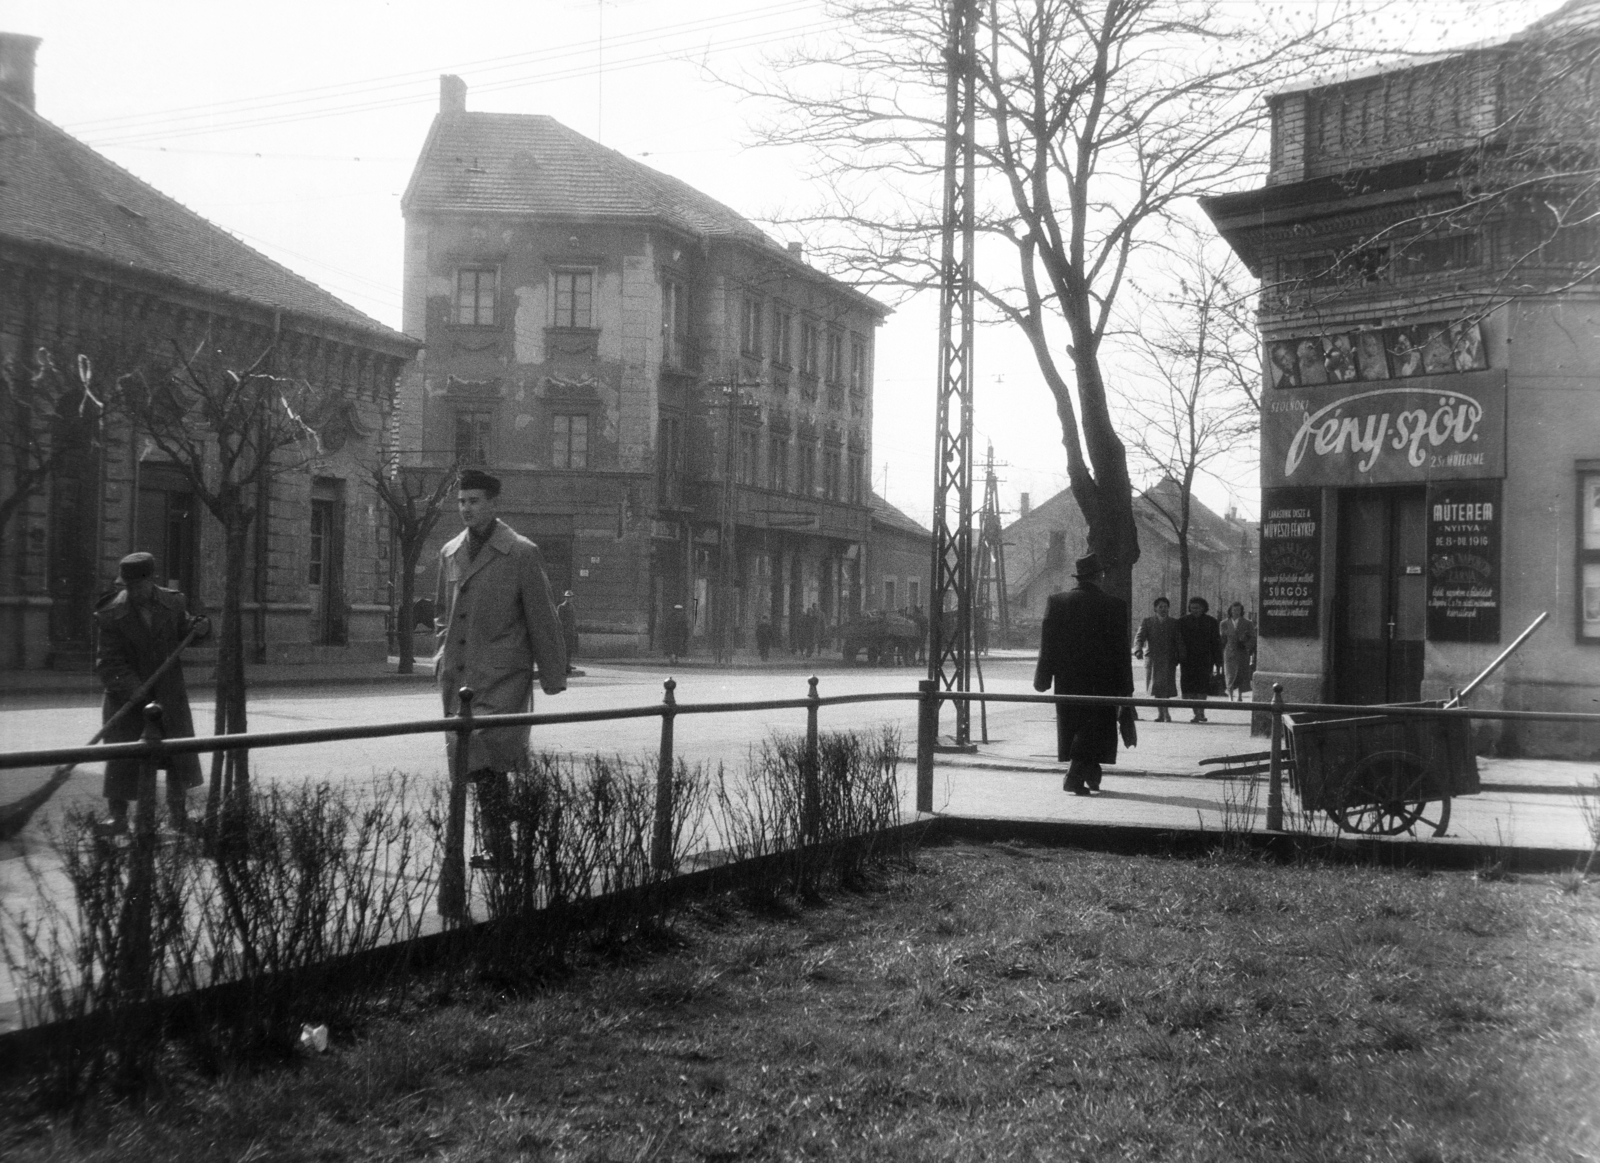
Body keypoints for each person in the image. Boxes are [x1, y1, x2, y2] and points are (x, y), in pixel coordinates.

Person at [434, 470, 567, 868]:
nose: (466, 509)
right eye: (461, 501)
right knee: (473, 763)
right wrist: (440, 654)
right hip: (458, 675)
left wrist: (553, 675)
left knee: (487, 759)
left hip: (501, 675)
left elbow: (542, 617)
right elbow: (443, 613)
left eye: (475, 501)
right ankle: (503, 844)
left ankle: (503, 846)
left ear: (493, 504)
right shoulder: (449, 551)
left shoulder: (522, 552)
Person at [92, 551, 211, 836]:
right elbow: (108, 663)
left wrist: (202, 626)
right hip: (127, 698)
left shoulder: (172, 602)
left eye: (136, 585)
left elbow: (187, 629)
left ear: (150, 580)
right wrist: (137, 691)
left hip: (168, 695)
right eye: (126, 586)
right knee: (121, 758)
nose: (131, 591)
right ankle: (118, 818)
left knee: (175, 757)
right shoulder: (111, 613)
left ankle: (178, 817)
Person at [1032, 553, 1134, 796]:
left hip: (1068, 678)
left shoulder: (1057, 601)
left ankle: (1089, 771)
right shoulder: (1115, 605)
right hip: (1103, 680)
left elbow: (1048, 644)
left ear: (1078, 578)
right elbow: (1121, 650)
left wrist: (1043, 677)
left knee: (1074, 725)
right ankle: (1077, 774)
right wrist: (1126, 688)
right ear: (1100, 576)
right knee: (1096, 725)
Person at [1133, 596, 1181, 722]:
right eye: (1160, 607)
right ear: (1155, 608)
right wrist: (1138, 649)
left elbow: (1179, 641)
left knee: (1166, 686)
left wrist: (1181, 655)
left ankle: (1165, 713)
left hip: (1168, 659)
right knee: (1156, 687)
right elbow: (1139, 637)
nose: (1163, 609)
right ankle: (1161, 713)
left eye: (1165, 607)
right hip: (1153, 659)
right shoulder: (1147, 622)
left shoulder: (1174, 623)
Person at [1177, 596, 1223, 723]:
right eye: (1192, 608)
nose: (1194, 610)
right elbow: (1179, 641)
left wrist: (1218, 660)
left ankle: (1201, 712)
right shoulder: (1182, 621)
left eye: (1197, 608)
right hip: (1188, 660)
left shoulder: (1211, 622)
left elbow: (1216, 642)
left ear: (1203, 608)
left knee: (1202, 686)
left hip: (1205, 659)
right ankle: (1196, 712)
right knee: (1190, 688)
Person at [1220, 601, 1257, 701]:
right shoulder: (1224, 623)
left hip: (1242, 652)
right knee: (1230, 673)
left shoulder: (1247, 623)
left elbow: (1253, 638)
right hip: (1229, 652)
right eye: (1234, 610)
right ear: (1230, 611)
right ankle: (1230, 695)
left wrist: (1246, 645)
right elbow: (1222, 639)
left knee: (1241, 674)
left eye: (1238, 610)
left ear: (1241, 611)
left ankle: (1240, 695)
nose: (1236, 612)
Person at [557, 590, 579, 673]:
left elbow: (573, 619)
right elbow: (559, 620)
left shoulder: (572, 607)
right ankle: (563, 665)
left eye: (570, 597)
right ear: (565, 598)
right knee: (564, 649)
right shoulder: (561, 607)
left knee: (570, 649)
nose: (569, 599)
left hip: (571, 631)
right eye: (567, 597)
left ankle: (568, 664)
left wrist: (574, 629)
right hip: (564, 631)